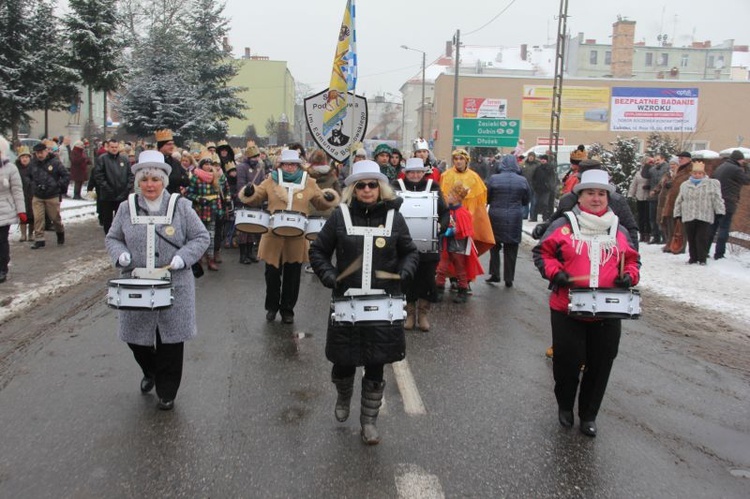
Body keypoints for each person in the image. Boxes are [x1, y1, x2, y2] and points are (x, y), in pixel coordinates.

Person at [309, 159, 419, 445]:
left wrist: (404, 273)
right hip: (347, 302)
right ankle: (343, 396)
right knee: (343, 361)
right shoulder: (339, 216)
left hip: (384, 302)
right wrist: (329, 275)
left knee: (376, 363)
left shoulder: (395, 218)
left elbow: (410, 252)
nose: (367, 190)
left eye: (372, 185)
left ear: (380, 188)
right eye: (361, 185)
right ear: (353, 189)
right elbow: (318, 251)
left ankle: (368, 422)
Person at [532, 169, 640, 437]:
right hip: (567, 308)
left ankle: (589, 415)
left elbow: (633, 260)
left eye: (601, 194)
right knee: (567, 362)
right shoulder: (563, 225)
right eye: (590, 193)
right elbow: (542, 253)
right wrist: (555, 272)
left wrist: (630, 275)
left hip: (608, 309)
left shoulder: (620, 229)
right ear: (580, 196)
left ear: (608, 198)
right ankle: (565, 406)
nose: (596, 198)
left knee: (601, 363)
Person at [105, 150, 210, 410]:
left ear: (164, 180)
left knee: (171, 340)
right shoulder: (125, 208)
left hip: (175, 285)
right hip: (136, 284)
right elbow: (113, 238)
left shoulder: (181, 206)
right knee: (136, 338)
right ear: (138, 182)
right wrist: (122, 256)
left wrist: (182, 258)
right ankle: (151, 370)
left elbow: (201, 237)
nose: (150, 185)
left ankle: (167, 392)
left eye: (155, 179)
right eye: (145, 179)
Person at [238, 149, 340, 324]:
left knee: (292, 276)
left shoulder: (308, 181)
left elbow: (319, 202)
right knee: (271, 275)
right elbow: (256, 197)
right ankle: (271, 307)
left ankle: (287, 310)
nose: (290, 167)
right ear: (281, 165)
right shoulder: (271, 180)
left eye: (293, 164)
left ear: (299, 165)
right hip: (273, 235)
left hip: (297, 235)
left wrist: (328, 198)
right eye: (287, 164)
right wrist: (249, 192)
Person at [392, 157, 448, 331]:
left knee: (426, 279)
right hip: (404, 246)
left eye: (418, 172)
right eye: (411, 172)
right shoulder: (396, 187)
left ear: (424, 173)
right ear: (405, 173)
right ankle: (409, 314)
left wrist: (440, 226)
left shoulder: (434, 187)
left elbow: (445, 212)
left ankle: (423, 314)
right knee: (407, 278)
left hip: (428, 245)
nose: (415, 175)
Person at [486, 155, 531, 287]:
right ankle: (509, 278)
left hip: (495, 215)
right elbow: (526, 200)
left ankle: (495, 273)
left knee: (494, 246)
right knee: (511, 248)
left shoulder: (494, 179)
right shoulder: (522, 180)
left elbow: (487, 198)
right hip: (514, 217)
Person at [440, 148, 495, 255]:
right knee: (447, 251)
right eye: (456, 159)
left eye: (461, 158)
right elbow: (442, 198)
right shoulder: (446, 176)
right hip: (450, 219)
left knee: (464, 254)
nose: (458, 161)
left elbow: (479, 202)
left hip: (467, 219)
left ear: (466, 160)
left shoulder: (474, 177)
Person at [435, 182, 484, 303]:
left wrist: (453, 231)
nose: (448, 196)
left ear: (457, 197)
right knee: (441, 268)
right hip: (446, 244)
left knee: (460, 269)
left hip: (458, 245)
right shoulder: (447, 211)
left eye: (451, 194)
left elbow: (465, 229)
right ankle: (439, 290)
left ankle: (463, 290)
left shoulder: (463, 213)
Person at [673, 161, 725, 265]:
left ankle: (702, 258)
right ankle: (693, 257)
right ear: (691, 173)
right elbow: (679, 199)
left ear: (703, 174)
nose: (697, 175)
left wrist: (720, 211)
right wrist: (677, 213)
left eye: (700, 173)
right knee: (691, 237)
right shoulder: (685, 185)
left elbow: (717, 198)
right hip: (689, 214)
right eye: (695, 173)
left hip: (704, 214)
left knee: (702, 237)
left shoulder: (711, 184)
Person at [185, 153, 230, 271]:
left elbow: (218, 195)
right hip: (199, 211)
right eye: (206, 164)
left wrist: (220, 210)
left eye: (210, 164)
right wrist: (199, 199)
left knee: (211, 236)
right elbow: (188, 193)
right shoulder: (195, 177)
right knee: (198, 236)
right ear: (201, 165)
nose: (208, 166)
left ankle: (210, 259)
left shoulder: (215, 177)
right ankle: (198, 259)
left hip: (212, 211)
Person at [710, 149, 750, 260]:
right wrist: (747, 168)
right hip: (728, 202)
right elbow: (747, 180)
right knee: (724, 227)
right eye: (742, 160)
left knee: (712, 227)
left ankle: (704, 251)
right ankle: (719, 254)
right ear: (739, 159)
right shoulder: (736, 169)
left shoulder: (721, 167)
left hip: (716, 201)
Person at [29, 142, 69, 249]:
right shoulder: (33, 163)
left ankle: (60, 232)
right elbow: (28, 177)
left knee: (55, 218)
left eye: (41, 152)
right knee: (38, 218)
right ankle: (39, 238)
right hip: (38, 195)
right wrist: (33, 186)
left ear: (46, 151)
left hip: (52, 195)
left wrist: (57, 186)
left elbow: (65, 175)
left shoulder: (55, 162)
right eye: (37, 153)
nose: (39, 155)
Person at [0, 137, 27, 283]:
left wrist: (21, 210)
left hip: (4, 209)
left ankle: (2, 268)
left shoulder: (10, 168)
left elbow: (17, 190)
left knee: (1, 240)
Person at [93, 139, 133, 235]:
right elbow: (98, 176)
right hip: (107, 195)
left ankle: (120, 235)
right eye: (112, 147)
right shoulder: (102, 159)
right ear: (108, 147)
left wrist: (127, 188)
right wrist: (107, 188)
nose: (114, 149)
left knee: (121, 217)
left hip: (122, 194)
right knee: (107, 218)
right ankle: (108, 235)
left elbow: (130, 175)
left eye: (116, 147)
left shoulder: (124, 159)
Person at [235, 143, 266, 264]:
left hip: (255, 200)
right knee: (244, 229)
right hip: (244, 199)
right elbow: (240, 183)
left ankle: (250, 253)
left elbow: (262, 183)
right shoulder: (241, 167)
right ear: (248, 157)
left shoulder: (260, 167)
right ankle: (243, 255)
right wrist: (247, 193)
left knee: (252, 228)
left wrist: (259, 196)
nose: (255, 159)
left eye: (257, 157)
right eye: (253, 157)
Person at [659, 152, 693, 254]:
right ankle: (670, 244)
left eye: (682, 158)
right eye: (679, 158)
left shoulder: (690, 170)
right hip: (671, 201)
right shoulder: (679, 169)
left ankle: (679, 246)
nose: (680, 160)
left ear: (688, 159)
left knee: (680, 227)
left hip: (682, 202)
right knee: (670, 224)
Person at [641, 153, 670, 244]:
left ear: (663, 159)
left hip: (663, 196)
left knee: (661, 218)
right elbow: (645, 175)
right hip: (653, 196)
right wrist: (647, 164)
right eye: (655, 160)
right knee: (652, 218)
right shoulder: (652, 169)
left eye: (658, 160)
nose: (656, 162)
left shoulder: (667, 168)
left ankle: (664, 237)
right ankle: (655, 236)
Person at [627, 157, 653, 242]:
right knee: (641, 217)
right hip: (639, 196)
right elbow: (634, 184)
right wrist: (630, 194)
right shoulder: (638, 173)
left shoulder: (653, 172)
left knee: (648, 217)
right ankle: (642, 234)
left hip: (649, 197)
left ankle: (648, 234)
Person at [14, 146, 34, 242]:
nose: (25, 159)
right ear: (19, 158)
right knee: (22, 214)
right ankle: (23, 234)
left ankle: (30, 234)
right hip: (21, 194)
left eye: (26, 157)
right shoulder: (16, 168)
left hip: (32, 194)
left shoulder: (34, 167)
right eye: (23, 157)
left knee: (32, 215)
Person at [158, 129, 187, 195]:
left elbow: (186, 180)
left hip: (175, 198)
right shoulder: (155, 161)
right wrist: (178, 179)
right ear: (161, 146)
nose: (172, 147)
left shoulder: (175, 162)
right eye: (169, 144)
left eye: (172, 144)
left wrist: (176, 179)